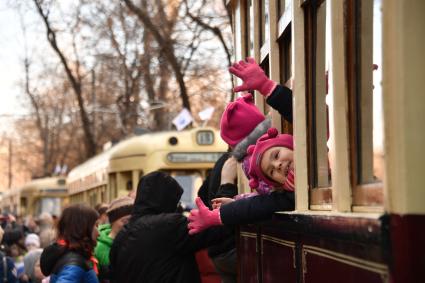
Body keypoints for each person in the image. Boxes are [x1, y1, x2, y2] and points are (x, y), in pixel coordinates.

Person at [109, 171, 227, 283]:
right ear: (167, 199)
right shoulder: (171, 225)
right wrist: (227, 184)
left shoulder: (121, 237)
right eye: (176, 201)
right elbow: (217, 228)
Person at [40, 204, 99, 283]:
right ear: (82, 228)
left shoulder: (74, 259)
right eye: (95, 225)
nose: (98, 232)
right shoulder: (74, 265)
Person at [94, 196, 134, 282]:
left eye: (133, 220)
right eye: (125, 221)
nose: (130, 224)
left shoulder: (136, 242)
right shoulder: (98, 248)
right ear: (113, 221)